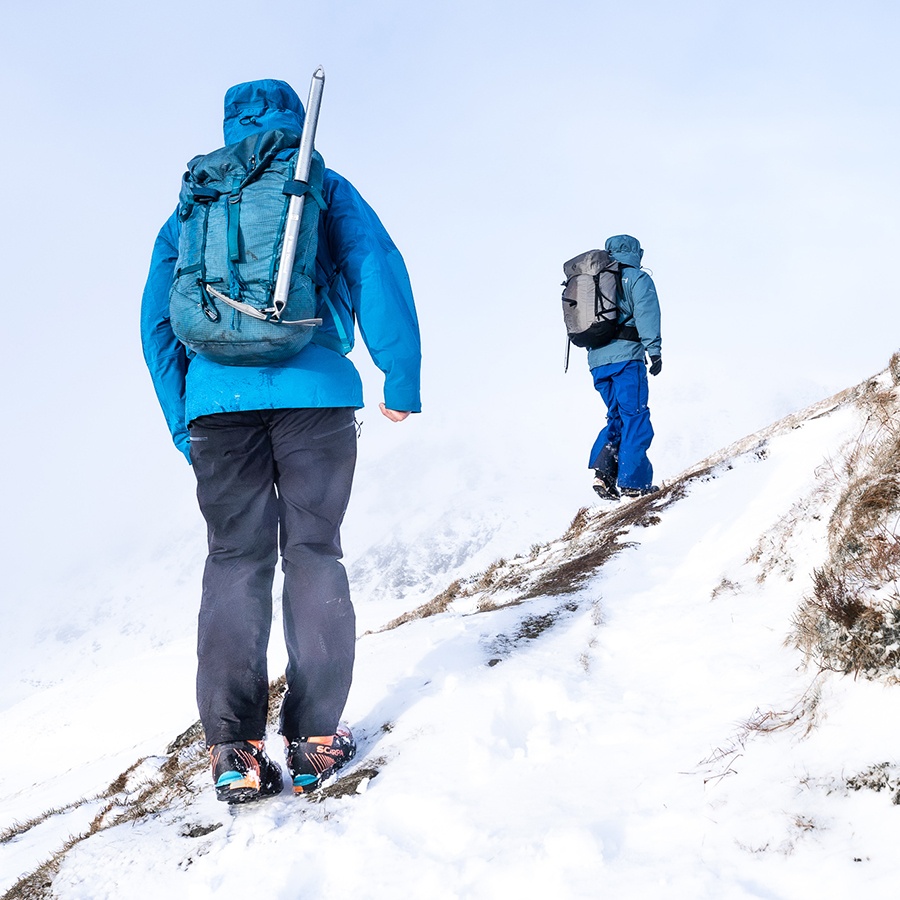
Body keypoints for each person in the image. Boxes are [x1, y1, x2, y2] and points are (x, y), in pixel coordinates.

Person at [140, 79, 421, 802]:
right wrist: (401, 376)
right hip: (316, 395)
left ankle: (233, 752)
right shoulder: (316, 182)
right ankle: (316, 741)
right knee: (314, 553)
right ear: (295, 118)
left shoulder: (197, 196)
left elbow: (157, 318)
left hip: (215, 406)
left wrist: (184, 413)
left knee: (234, 561)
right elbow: (375, 268)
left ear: (230, 125)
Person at [587, 234, 661, 500]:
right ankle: (634, 483)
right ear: (635, 252)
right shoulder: (637, 279)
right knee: (635, 416)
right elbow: (647, 315)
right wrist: (655, 351)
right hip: (626, 359)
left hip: (597, 362)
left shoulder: (594, 280)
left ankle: (603, 475)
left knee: (615, 416)